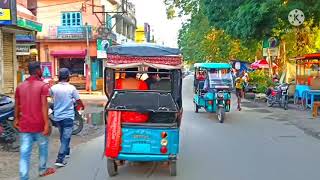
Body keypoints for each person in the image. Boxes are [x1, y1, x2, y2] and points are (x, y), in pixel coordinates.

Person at [14, 61, 56, 180]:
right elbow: (44, 105)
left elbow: (17, 105)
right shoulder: (43, 86)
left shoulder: (20, 86)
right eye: (41, 69)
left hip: (25, 125)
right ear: (38, 71)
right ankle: (42, 170)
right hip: (39, 125)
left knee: (24, 153)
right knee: (43, 148)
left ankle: (23, 176)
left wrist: (16, 118)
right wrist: (47, 123)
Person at [50, 68, 85, 167]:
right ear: (68, 77)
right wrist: (82, 106)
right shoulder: (71, 88)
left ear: (59, 77)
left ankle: (67, 151)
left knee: (63, 135)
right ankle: (60, 159)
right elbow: (78, 100)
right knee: (66, 137)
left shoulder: (54, 88)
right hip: (68, 116)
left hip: (58, 116)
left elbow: (50, 96)